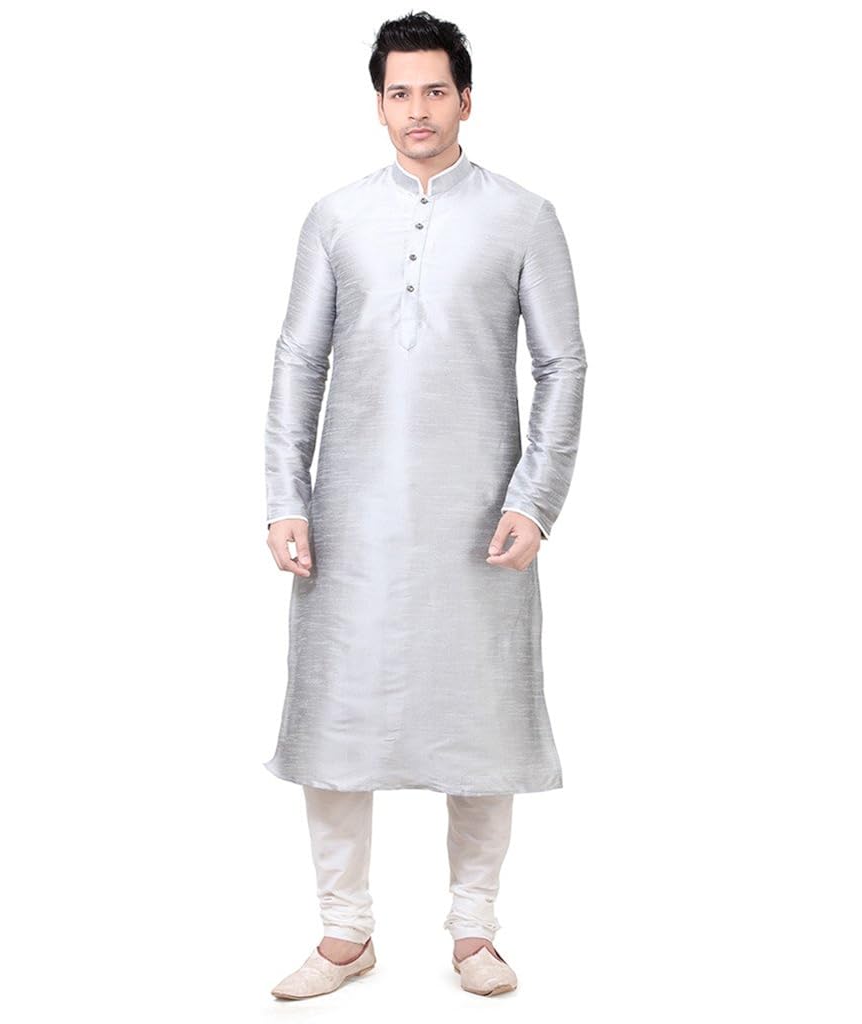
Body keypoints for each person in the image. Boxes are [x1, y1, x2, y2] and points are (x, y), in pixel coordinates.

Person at [263, 10, 587, 1000]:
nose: (418, 109)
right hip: (351, 514)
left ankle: (475, 931)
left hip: (479, 514)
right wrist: (285, 497)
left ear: (466, 100)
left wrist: (537, 497)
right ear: (379, 104)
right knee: (337, 717)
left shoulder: (523, 216)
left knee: (479, 720)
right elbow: (298, 360)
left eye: (435, 90)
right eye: (399, 91)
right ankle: (344, 933)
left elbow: (563, 364)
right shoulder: (335, 217)